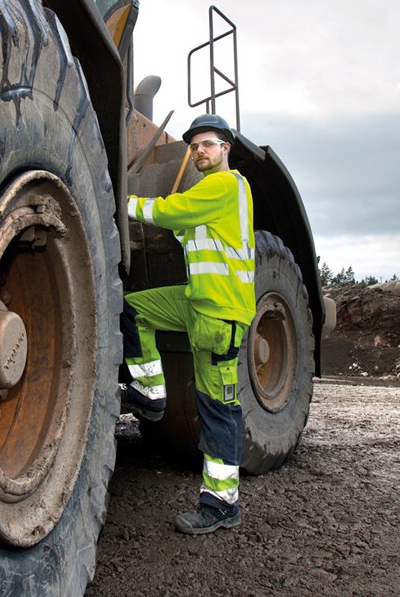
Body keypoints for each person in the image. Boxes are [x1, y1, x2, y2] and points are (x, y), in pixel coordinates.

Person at [121, 113, 256, 535]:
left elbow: (168, 212)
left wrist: (119, 200)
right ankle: (150, 393)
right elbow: (187, 230)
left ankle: (221, 504)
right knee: (134, 308)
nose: (199, 151)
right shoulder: (209, 199)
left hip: (221, 316)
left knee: (218, 409)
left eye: (208, 144)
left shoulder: (226, 185)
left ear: (225, 149)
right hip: (195, 303)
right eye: (194, 146)